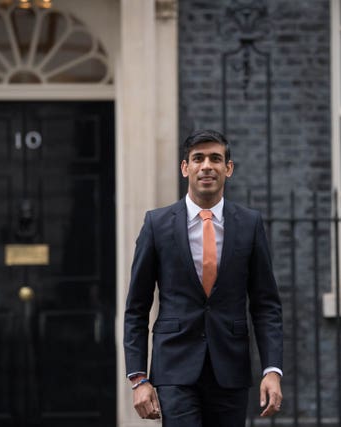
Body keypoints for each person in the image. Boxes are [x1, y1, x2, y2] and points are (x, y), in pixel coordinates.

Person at [123, 129, 284, 426]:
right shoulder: (157, 225)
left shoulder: (249, 225)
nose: (206, 165)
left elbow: (266, 305)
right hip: (174, 368)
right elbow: (136, 308)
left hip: (231, 368)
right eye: (198, 158)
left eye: (215, 158)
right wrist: (138, 378)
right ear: (185, 168)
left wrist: (272, 370)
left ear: (228, 168)